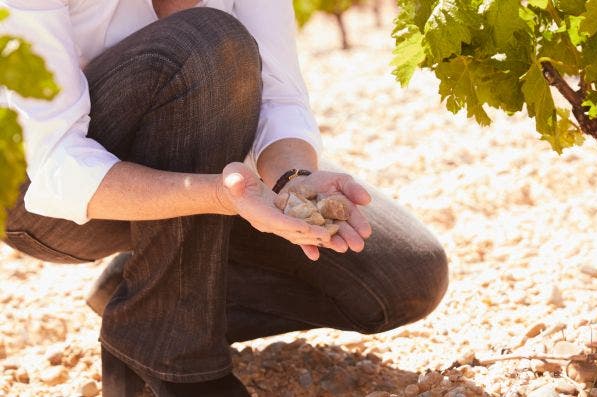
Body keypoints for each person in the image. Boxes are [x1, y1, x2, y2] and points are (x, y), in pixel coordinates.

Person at [1, 1, 449, 396]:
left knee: (406, 278)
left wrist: (293, 179)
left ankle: (140, 301)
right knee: (205, 38)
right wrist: (219, 195)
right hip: (36, 197)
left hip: (212, 174)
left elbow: (280, 98)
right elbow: (54, 164)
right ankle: (175, 355)